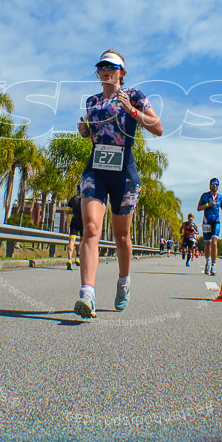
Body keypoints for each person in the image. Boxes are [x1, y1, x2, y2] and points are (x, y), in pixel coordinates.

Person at [73, 50, 163, 318]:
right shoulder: (91, 102)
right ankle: (87, 294)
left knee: (122, 237)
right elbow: (98, 137)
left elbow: (158, 127)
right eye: (102, 65)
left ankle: (124, 281)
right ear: (98, 71)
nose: (106, 69)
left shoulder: (134, 95)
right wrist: (87, 132)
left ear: (122, 72)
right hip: (95, 170)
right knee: (90, 227)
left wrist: (131, 110)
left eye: (112, 66)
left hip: (124, 172)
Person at [197, 177, 222, 276]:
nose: (215, 186)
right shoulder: (205, 196)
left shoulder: (220, 197)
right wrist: (208, 204)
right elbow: (198, 208)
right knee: (207, 244)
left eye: (216, 184)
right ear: (210, 185)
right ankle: (207, 262)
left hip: (216, 222)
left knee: (214, 242)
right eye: (213, 184)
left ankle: (213, 265)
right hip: (206, 222)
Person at [65, 192, 82, 270]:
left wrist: (73, 211)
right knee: (82, 240)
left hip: (74, 220)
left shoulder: (72, 199)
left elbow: (67, 211)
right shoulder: (85, 199)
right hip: (83, 221)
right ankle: (78, 257)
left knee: (72, 240)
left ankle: (69, 259)